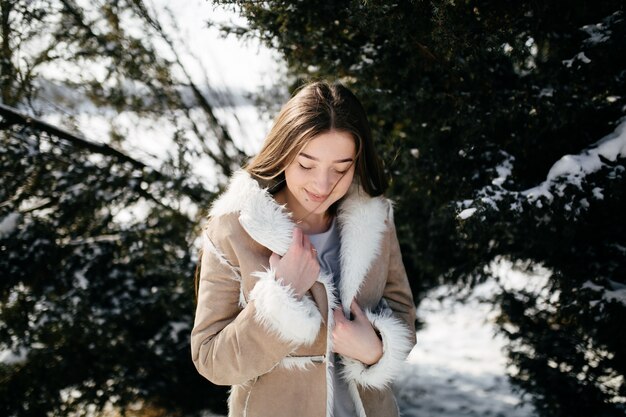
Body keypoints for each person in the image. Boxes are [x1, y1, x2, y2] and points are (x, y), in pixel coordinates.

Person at [191, 80, 416, 417]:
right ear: (283, 153)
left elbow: (402, 313)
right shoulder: (235, 229)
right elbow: (212, 360)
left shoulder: (375, 219)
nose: (322, 185)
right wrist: (281, 296)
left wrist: (376, 349)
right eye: (307, 165)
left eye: (341, 168)